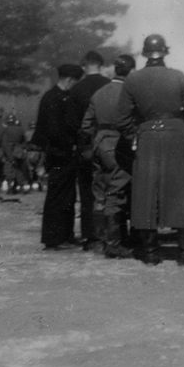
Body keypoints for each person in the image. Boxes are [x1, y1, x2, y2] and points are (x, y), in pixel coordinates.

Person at [117, 34, 184, 266]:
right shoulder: (178, 77)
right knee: (182, 194)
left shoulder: (132, 80)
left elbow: (122, 119)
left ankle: (151, 253)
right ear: (165, 53)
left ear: (145, 54)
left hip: (147, 137)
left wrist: (134, 137)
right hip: (177, 136)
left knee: (146, 194)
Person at [80, 54, 137, 259]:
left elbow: (86, 126)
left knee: (100, 193)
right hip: (118, 145)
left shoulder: (99, 93)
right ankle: (114, 245)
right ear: (131, 71)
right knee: (117, 193)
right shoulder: (129, 93)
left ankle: (100, 240)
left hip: (99, 145)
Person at [30, 64, 84, 251]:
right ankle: (52, 239)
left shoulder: (55, 96)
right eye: (76, 82)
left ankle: (66, 235)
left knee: (68, 196)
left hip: (64, 153)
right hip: (59, 154)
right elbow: (53, 131)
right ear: (70, 80)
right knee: (57, 196)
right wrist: (72, 143)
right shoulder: (54, 98)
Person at [67, 51, 111, 251]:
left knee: (86, 193)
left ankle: (90, 236)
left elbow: (71, 123)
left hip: (85, 147)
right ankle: (111, 234)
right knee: (110, 191)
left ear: (84, 66)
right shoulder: (109, 85)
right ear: (100, 65)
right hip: (108, 144)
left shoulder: (76, 90)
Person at [2, 113, 28, 194]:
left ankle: (10, 188)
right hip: (18, 151)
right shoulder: (21, 129)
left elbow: (3, 142)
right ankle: (21, 188)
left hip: (8, 151)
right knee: (19, 170)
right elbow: (24, 143)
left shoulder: (5, 129)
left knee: (8, 170)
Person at [24, 121, 45, 192]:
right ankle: (40, 184)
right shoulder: (40, 134)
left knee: (30, 170)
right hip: (39, 152)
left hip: (29, 152)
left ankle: (30, 186)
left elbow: (24, 143)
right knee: (39, 168)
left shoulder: (27, 133)